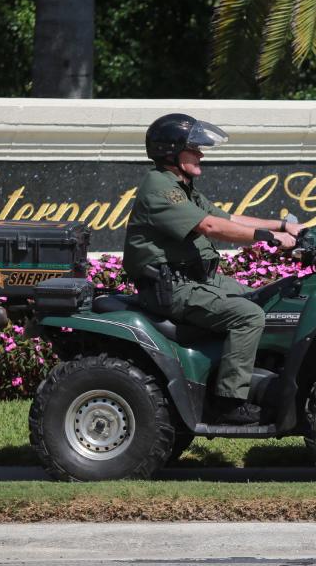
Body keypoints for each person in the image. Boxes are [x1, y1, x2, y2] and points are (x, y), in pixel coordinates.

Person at [123, 113, 302, 425]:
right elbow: (209, 226)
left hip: (197, 280)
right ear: (171, 152)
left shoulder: (182, 187)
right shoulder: (159, 187)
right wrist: (270, 237)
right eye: (194, 149)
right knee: (249, 316)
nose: (201, 154)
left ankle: (264, 380)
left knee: (268, 301)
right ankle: (228, 402)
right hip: (172, 288)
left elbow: (229, 219)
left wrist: (284, 224)